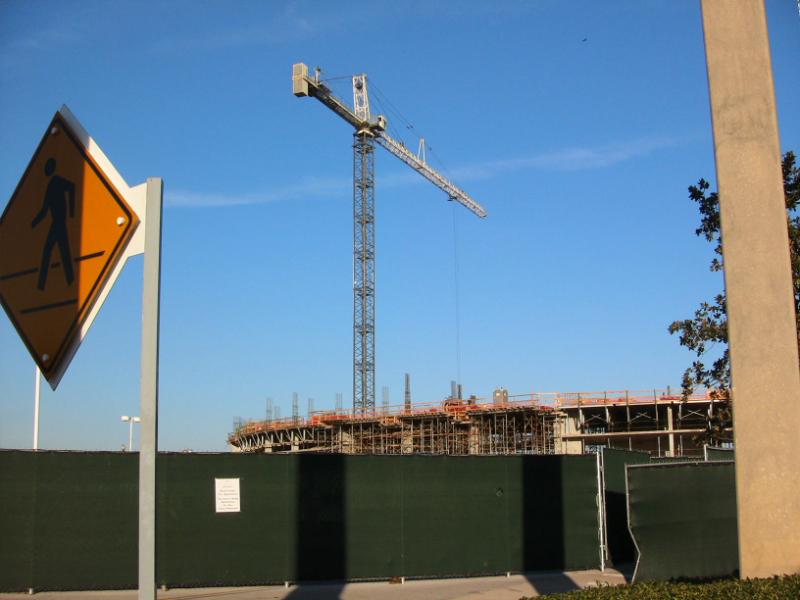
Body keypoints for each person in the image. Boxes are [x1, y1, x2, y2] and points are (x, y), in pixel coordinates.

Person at [31, 157, 76, 291]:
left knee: (55, 252)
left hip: (60, 223)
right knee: (61, 253)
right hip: (55, 223)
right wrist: (34, 223)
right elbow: (44, 210)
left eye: (47, 167)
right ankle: (69, 281)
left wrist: (72, 212)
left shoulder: (56, 181)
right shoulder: (50, 186)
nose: (45, 170)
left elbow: (72, 187)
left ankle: (42, 286)